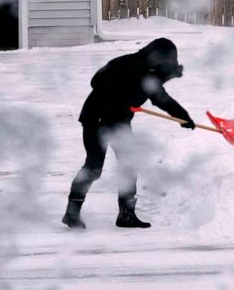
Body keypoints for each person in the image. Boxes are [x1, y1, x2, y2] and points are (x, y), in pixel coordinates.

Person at [62, 38, 195, 229]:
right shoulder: (125, 64)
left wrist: (183, 117)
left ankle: (127, 215)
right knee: (93, 167)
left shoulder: (151, 75)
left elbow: (161, 99)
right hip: (97, 119)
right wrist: (119, 98)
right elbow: (96, 81)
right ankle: (71, 213)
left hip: (119, 122)